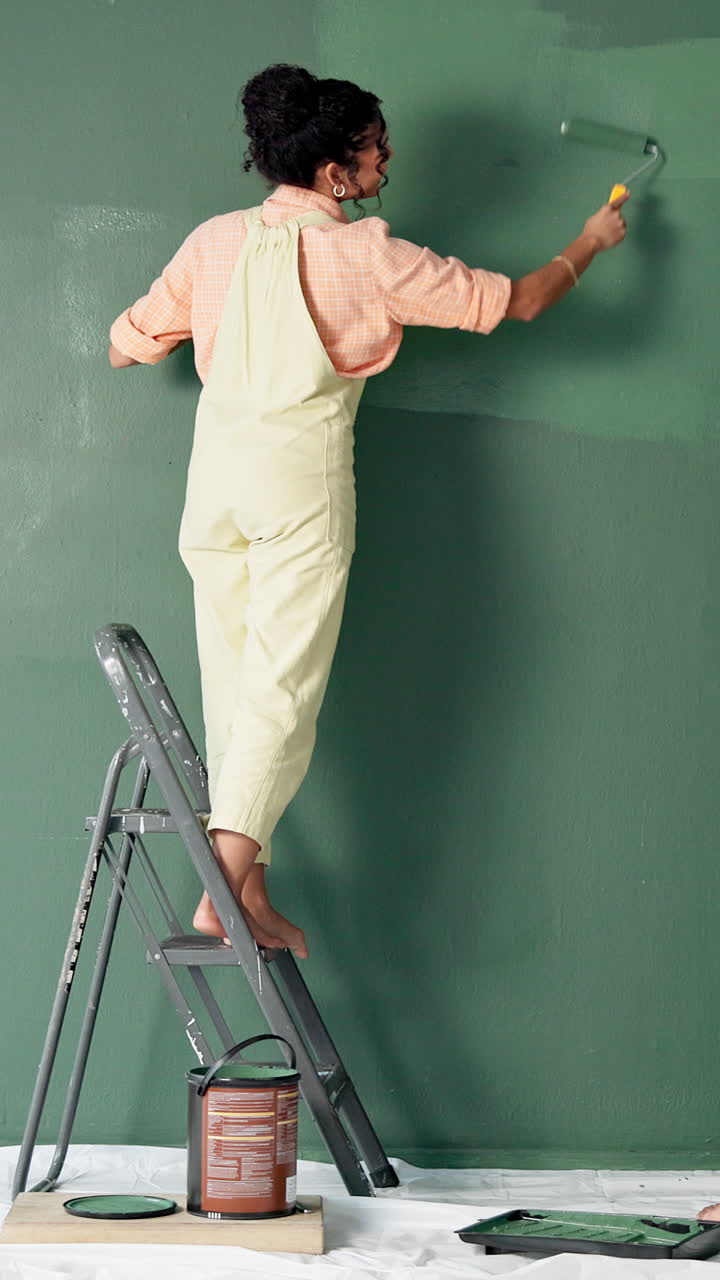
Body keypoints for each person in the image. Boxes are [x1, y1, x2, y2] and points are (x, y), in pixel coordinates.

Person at [108, 64, 629, 960]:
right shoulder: (367, 255)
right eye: (372, 144)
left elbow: (128, 343)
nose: (388, 154)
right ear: (335, 172)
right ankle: (220, 890)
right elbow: (522, 300)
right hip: (298, 484)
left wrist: (198, 325)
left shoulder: (214, 242)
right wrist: (591, 239)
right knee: (283, 692)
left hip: (216, 487)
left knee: (237, 687)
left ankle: (251, 892)